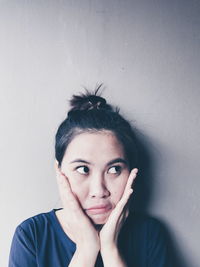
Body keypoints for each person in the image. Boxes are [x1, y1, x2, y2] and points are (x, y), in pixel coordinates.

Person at [9, 87, 172, 267]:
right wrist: (87, 248)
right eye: (83, 169)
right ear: (59, 172)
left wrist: (110, 249)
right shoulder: (33, 235)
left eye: (114, 169)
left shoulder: (148, 233)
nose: (99, 191)